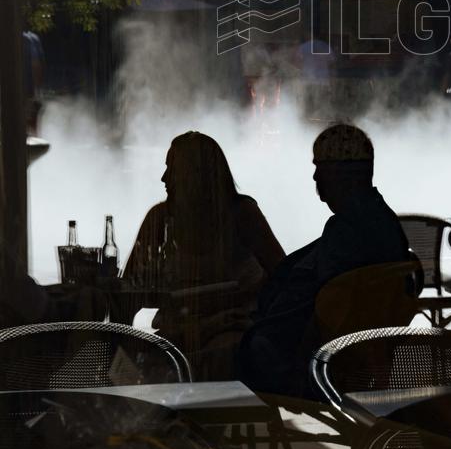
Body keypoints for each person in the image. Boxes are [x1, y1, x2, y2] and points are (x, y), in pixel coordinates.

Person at [239, 123, 409, 397]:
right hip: (361, 350)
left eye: (321, 169)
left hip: (327, 357)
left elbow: (323, 307)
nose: (315, 178)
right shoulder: (383, 221)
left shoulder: (346, 231)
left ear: (344, 176)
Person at [122, 131, 284, 379]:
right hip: (179, 331)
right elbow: (129, 290)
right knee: (133, 364)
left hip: (231, 328)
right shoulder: (159, 218)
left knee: (224, 357)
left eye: (172, 170)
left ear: (196, 176)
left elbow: (283, 275)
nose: (164, 178)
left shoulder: (242, 215)